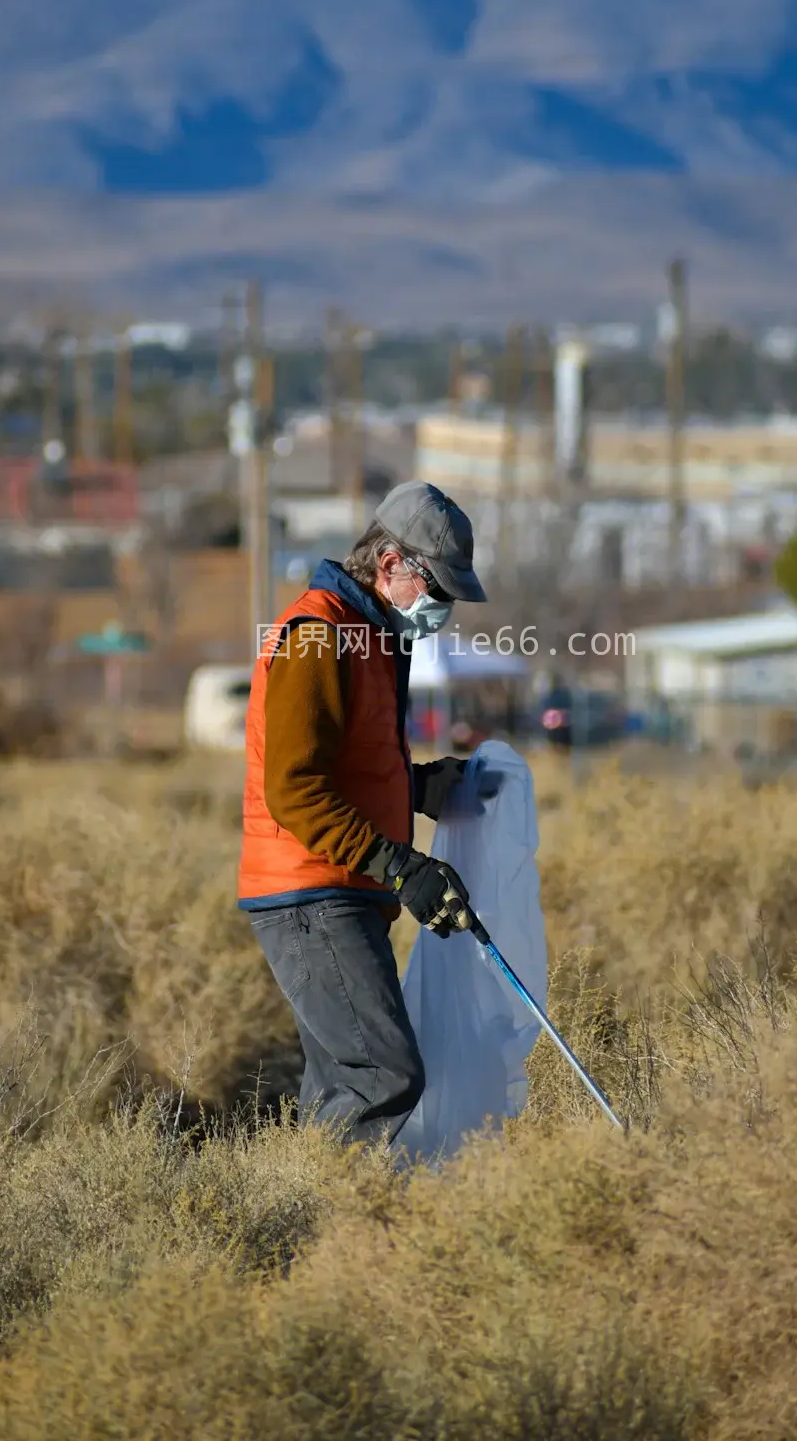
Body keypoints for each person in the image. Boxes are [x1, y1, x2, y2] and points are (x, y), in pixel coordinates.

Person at [237, 480, 488, 1147]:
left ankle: (304, 1232)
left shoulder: (371, 640)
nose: (444, 611)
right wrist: (401, 866)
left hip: (340, 892)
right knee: (384, 1078)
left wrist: (432, 790)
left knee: (342, 1088)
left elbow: (357, 771)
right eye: (437, 591)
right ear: (388, 566)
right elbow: (293, 788)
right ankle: (339, 1228)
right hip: (311, 896)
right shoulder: (318, 638)